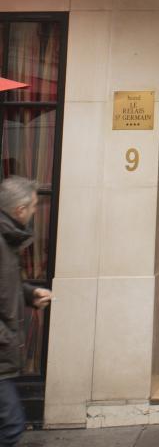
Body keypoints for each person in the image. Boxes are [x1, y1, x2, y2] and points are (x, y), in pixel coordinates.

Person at [0, 178, 51, 447]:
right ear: (20, 209)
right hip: (1, 352)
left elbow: (6, 285)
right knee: (11, 426)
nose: (34, 212)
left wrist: (30, 294)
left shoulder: (7, 239)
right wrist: (5, 336)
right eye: (33, 206)